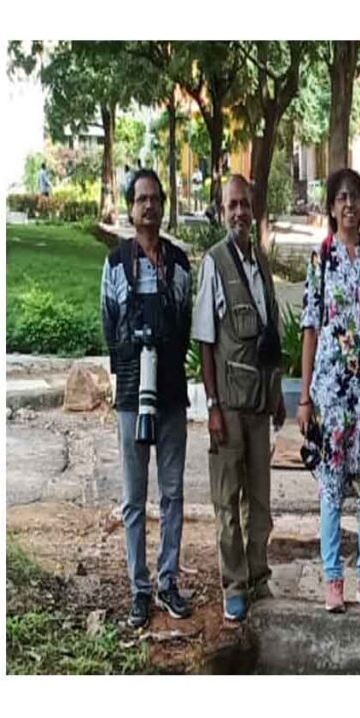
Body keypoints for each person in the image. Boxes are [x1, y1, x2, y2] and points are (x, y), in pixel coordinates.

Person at [297, 168, 360, 614]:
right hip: (333, 395)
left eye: (355, 197)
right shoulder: (321, 259)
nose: (349, 205)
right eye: (341, 198)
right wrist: (303, 398)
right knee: (332, 486)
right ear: (332, 206)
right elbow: (310, 328)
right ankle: (333, 580)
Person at [100, 169, 193, 628]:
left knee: (172, 494)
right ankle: (139, 589)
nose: (149, 206)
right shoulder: (116, 263)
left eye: (156, 198)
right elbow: (108, 324)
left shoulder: (178, 264)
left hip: (173, 394)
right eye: (141, 199)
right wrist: (129, 376)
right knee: (134, 498)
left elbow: (185, 321)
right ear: (130, 207)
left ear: (164, 205)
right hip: (132, 395)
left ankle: (168, 581)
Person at [191, 175, 286, 622]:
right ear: (221, 210)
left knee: (261, 504)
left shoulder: (261, 263)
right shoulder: (215, 263)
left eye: (245, 205)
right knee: (227, 502)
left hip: (259, 405)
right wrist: (211, 405)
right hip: (228, 404)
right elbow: (206, 341)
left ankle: (258, 576)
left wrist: (278, 395)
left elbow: (270, 336)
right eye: (232, 206)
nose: (239, 213)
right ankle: (233, 584)